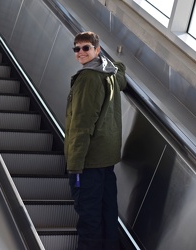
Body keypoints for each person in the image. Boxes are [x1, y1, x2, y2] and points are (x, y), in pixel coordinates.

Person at [65, 31, 127, 250]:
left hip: (88, 162)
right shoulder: (108, 73)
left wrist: (74, 166)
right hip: (105, 160)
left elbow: (82, 125)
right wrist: (112, 62)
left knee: (89, 218)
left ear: (97, 50)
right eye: (77, 48)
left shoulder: (89, 79)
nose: (80, 52)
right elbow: (121, 71)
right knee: (107, 214)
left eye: (86, 48)